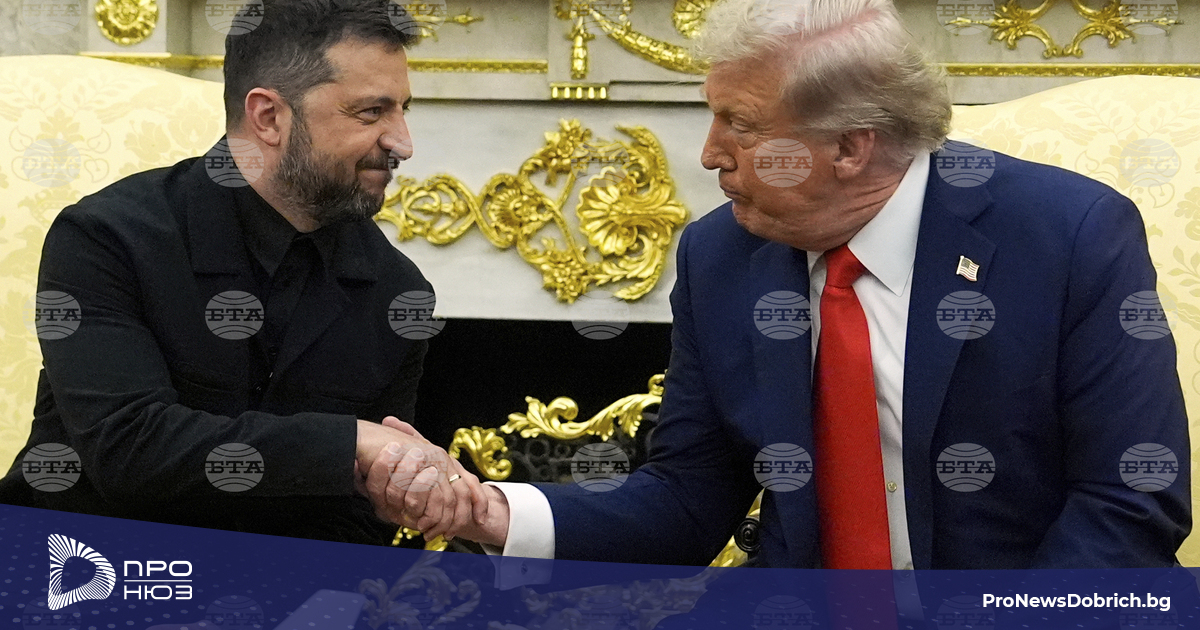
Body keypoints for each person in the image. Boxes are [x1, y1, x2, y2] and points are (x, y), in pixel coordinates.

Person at [380, 0, 1191, 569]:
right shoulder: (721, 257)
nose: (709, 154)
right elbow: (687, 499)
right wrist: (493, 510)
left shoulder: (1067, 237)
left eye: (741, 124)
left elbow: (1127, 504)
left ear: (850, 147)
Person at [0, 0, 486, 545]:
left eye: (403, 110)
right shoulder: (107, 237)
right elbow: (128, 450)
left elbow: (359, 516)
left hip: (275, 582)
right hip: (78, 565)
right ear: (269, 117)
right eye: (372, 112)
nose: (403, 142)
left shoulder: (400, 293)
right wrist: (351, 441)